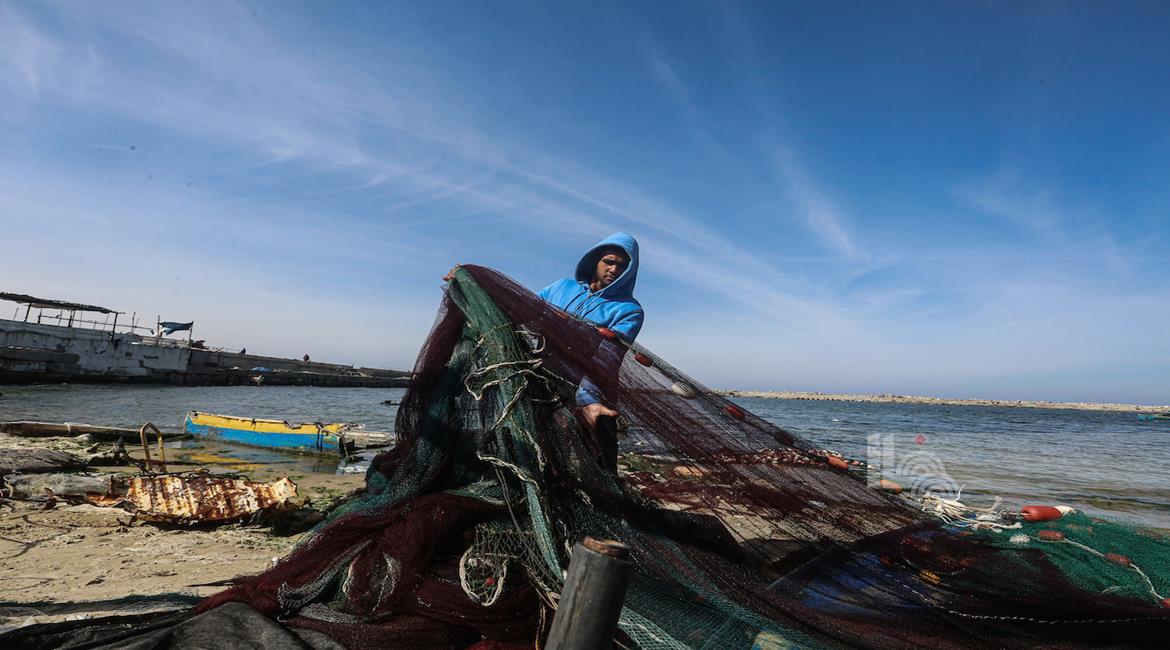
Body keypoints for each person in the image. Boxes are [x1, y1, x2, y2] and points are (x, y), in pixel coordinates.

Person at [537, 232, 643, 430]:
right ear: (595, 261)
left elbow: (606, 360)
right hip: (538, 377)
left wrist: (588, 400)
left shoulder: (629, 310)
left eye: (622, 266)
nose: (614, 269)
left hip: (585, 393)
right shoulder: (561, 287)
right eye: (609, 262)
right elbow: (520, 307)